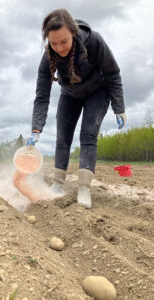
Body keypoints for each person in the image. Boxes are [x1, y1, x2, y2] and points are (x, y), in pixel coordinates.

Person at [27, 8, 126, 208]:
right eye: (53, 43)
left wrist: (119, 107)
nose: (60, 48)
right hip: (70, 94)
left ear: (73, 33)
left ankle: (83, 189)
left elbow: (113, 73)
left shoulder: (93, 41)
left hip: (98, 91)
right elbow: (42, 95)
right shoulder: (48, 57)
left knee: (88, 135)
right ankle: (58, 184)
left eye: (64, 41)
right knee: (62, 137)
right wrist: (36, 128)